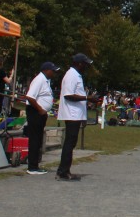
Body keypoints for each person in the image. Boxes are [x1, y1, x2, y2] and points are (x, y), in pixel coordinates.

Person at [57, 53, 92, 182]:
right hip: (72, 114)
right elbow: (68, 95)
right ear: (79, 63)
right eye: (85, 64)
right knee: (69, 143)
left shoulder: (76, 75)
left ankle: (65, 170)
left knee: (71, 142)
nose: (86, 67)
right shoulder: (71, 75)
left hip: (76, 114)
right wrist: (87, 98)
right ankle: (63, 171)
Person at [21, 61, 60, 175]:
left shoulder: (46, 81)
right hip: (35, 112)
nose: (54, 73)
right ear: (46, 70)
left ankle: (35, 164)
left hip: (41, 113)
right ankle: (32, 167)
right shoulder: (39, 80)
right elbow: (30, 97)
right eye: (52, 71)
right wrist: (40, 109)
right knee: (35, 138)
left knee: (38, 139)